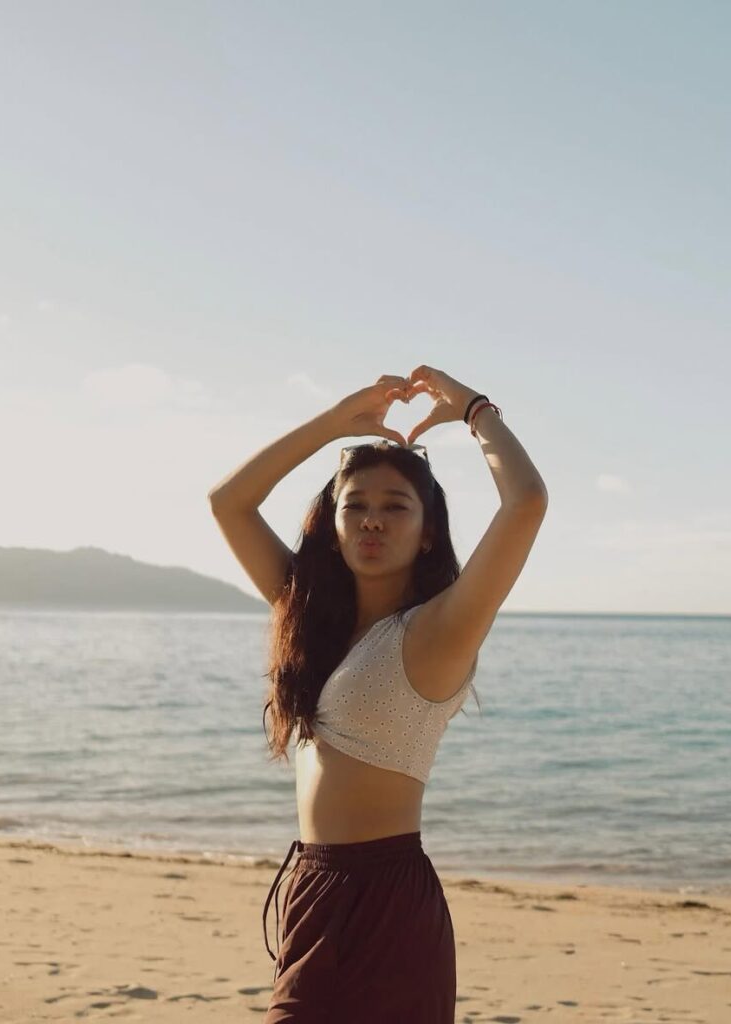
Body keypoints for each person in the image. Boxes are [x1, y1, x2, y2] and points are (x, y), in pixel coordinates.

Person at [208, 365, 548, 1022]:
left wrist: (477, 412)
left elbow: (526, 503)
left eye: (395, 507)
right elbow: (228, 503)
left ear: (426, 532)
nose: (371, 521)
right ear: (331, 524)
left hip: (385, 902)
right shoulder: (306, 618)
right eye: (354, 505)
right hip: (314, 888)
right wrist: (334, 423)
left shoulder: (439, 631)